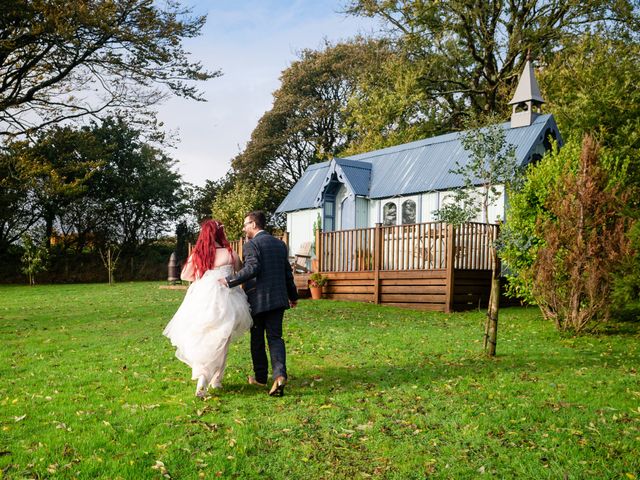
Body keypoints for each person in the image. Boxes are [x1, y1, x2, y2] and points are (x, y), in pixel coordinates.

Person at [163, 219, 252, 398]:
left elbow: (185, 275)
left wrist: (203, 275)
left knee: (204, 337)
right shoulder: (229, 253)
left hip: (203, 298)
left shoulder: (199, 253)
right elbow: (239, 271)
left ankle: (203, 376)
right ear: (220, 233)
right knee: (223, 338)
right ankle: (216, 380)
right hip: (228, 300)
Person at [219, 211, 298, 397]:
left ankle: (261, 379)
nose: (244, 228)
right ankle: (279, 376)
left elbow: (252, 268)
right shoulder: (280, 245)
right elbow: (288, 273)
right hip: (278, 300)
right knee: (275, 338)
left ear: (254, 225)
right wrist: (293, 296)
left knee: (257, 341)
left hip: (258, 300)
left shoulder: (251, 245)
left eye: (246, 224)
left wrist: (229, 281)